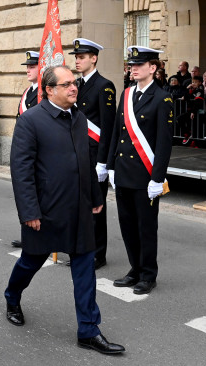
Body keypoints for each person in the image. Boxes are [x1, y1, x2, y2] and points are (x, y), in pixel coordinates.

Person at [4, 65, 125, 355]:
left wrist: (96, 195)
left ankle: (88, 330)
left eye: (75, 83)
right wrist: (29, 211)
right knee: (30, 262)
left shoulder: (79, 118)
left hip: (79, 209)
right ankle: (12, 297)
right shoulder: (30, 120)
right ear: (49, 89)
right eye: (67, 84)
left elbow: (84, 161)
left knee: (85, 268)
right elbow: (21, 170)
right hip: (46, 211)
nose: (75, 88)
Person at [107, 46, 173, 295]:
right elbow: (117, 133)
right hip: (124, 173)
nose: (132, 68)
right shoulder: (126, 95)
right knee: (127, 226)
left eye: (138, 64)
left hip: (145, 177)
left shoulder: (162, 98)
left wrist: (158, 178)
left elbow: (164, 143)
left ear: (153, 68)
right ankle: (134, 269)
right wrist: (111, 166)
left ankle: (148, 274)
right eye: (131, 64)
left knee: (146, 227)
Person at [71, 38, 117, 271]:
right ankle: (81, 248)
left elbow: (108, 128)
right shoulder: (75, 85)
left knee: (96, 207)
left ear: (93, 58)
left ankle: (98, 253)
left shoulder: (104, 85)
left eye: (81, 57)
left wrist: (104, 162)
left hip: (94, 156)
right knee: (79, 205)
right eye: (76, 57)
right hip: (78, 154)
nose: (77, 61)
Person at [11, 50, 40, 249]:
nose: (28, 70)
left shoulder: (44, 94)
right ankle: (28, 235)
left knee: (38, 196)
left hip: (39, 153)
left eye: (32, 66)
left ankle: (40, 237)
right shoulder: (28, 93)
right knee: (25, 194)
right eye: (27, 67)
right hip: (25, 151)